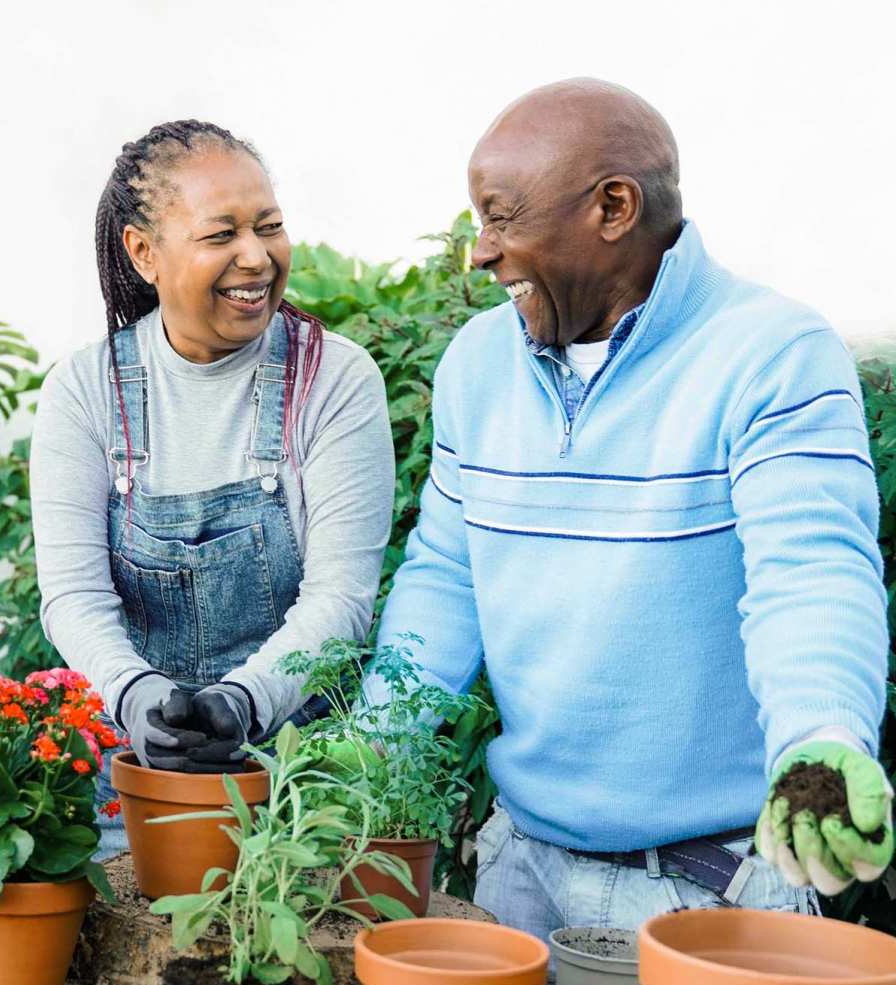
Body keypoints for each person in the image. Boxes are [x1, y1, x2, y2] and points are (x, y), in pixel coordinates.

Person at [367, 79, 893, 941]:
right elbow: (448, 575)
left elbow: (812, 574)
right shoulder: (477, 364)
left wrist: (820, 741)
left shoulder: (771, 355)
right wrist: (377, 742)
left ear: (614, 206)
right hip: (520, 870)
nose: (482, 252)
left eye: (501, 218)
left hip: (712, 892)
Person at [30, 120, 394, 853]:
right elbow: (72, 596)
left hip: (295, 779)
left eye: (269, 227)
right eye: (220, 234)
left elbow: (342, 597)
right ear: (143, 253)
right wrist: (136, 698)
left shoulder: (333, 379)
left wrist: (243, 702)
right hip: (131, 776)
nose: (255, 258)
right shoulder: (85, 391)